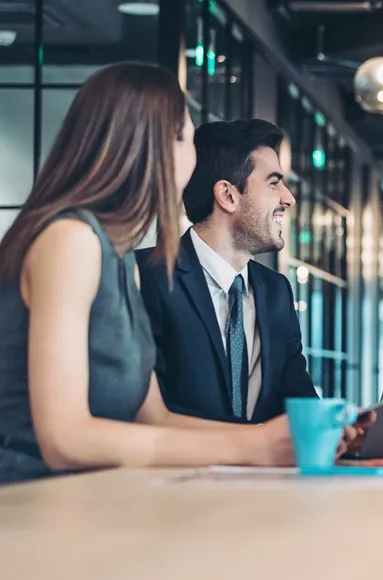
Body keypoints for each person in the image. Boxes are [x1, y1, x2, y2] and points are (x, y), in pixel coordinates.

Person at [0, 64, 302, 484]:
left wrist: (281, 441)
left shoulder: (122, 259)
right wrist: (254, 447)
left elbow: (155, 417)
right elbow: (64, 438)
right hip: (28, 507)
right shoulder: (70, 240)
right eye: (183, 137)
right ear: (146, 146)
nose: (192, 155)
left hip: (95, 501)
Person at [139, 119, 330, 425]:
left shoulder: (275, 291)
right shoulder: (147, 278)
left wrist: (338, 429)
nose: (288, 198)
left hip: (264, 474)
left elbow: (297, 398)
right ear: (228, 195)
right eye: (273, 182)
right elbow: (149, 412)